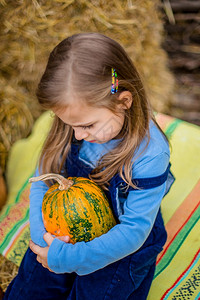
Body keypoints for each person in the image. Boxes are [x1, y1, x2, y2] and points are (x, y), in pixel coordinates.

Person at [4, 32, 175, 300]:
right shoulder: (76, 117)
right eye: (69, 125)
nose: (78, 135)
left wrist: (71, 258)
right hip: (68, 226)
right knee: (31, 287)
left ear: (124, 102)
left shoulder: (150, 154)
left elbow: (133, 232)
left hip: (122, 243)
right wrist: (43, 240)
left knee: (98, 292)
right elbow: (42, 181)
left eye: (87, 126)